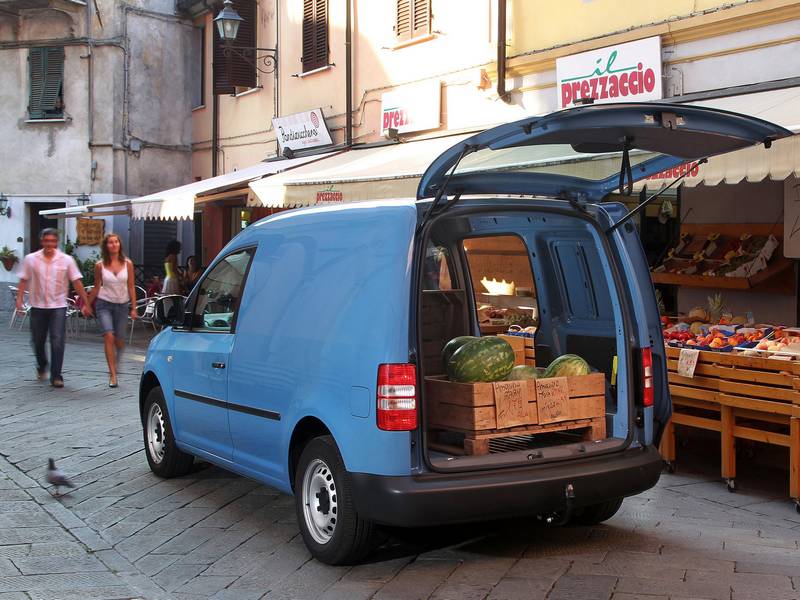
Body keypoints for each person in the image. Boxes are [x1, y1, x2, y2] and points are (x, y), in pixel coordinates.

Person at [16, 228, 92, 388]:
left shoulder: (66, 260)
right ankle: (42, 365)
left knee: (57, 340)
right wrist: (19, 300)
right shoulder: (31, 259)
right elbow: (23, 280)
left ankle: (56, 375)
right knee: (37, 340)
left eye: (52, 241)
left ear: (56, 242)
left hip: (58, 306)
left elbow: (77, 282)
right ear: (42, 241)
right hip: (37, 305)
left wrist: (86, 302)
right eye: (46, 241)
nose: (49, 244)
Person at [87, 233, 137, 388]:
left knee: (119, 341)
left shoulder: (128, 264)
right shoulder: (99, 265)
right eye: (110, 242)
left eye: (116, 242)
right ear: (106, 246)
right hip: (104, 304)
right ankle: (112, 374)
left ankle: (116, 361)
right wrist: (87, 304)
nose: (114, 244)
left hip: (122, 305)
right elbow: (97, 287)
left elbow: (131, 286)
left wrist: (134, 307)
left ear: (119, 245)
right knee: (109, 336)